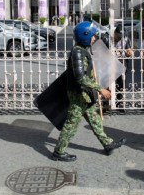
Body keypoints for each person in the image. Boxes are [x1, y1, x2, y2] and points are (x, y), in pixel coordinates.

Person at [52, 21, 126, 162]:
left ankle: (108, 144)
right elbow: (80, 78)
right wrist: (100, 89)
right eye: (92, 36)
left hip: (85, 95)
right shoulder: (77, 53)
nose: (94, 38)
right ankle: (58, 151)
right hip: (78, 94)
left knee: (95, 120)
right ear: (85, 36)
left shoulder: (82, 50)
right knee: (71, 125)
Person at [112, 27, 132, 107]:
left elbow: (130, 52)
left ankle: (119, 102)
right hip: (110, 64)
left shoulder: (126, 39)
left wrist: (128, 53)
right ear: (114, 33)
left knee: (121, 84)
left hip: (122, 64)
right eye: (118, 36)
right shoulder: (107, 39)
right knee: (110, 84)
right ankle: (107, 103)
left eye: (121, 36)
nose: (119, 38)